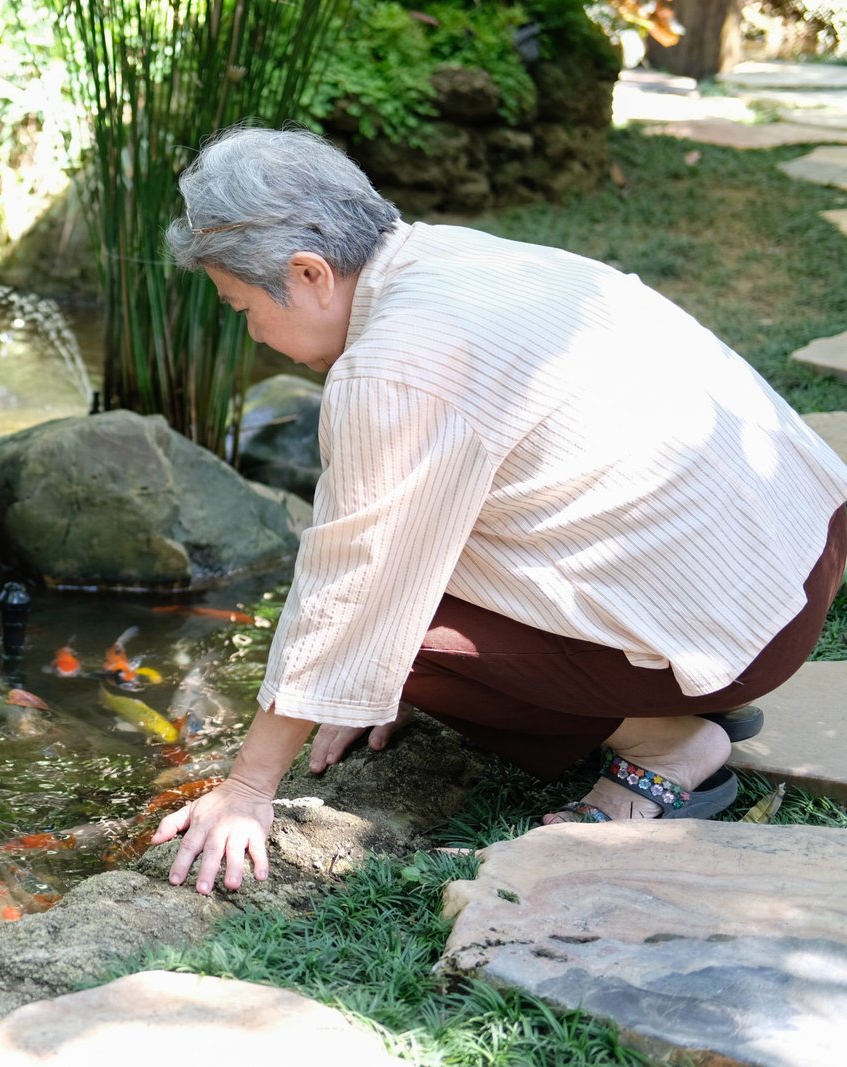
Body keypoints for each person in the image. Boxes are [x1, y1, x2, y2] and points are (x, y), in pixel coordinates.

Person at [150, 126, 847, 897]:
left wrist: (250, 787)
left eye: (242, 306)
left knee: (396, 639)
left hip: (746, 628)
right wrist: (345, 687)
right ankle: (668, 686)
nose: (251, 331)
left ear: (309, 273)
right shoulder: (451, 254)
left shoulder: (392, 366)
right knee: (375, 639)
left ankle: (664, 742)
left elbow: (350, 584)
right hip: (799, 557)